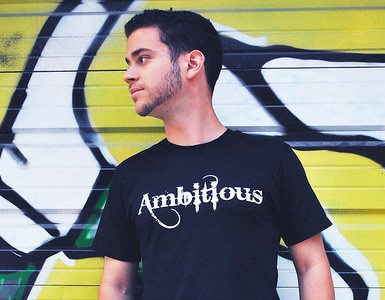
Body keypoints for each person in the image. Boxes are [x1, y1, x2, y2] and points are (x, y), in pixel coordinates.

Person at [93, 9, 334, 300]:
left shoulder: (271, 160)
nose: (128, 75)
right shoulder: (131, 176)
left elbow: (312, 265)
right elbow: (117, 285)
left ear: (192, 63)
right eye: (129, 63)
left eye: (143, 59)